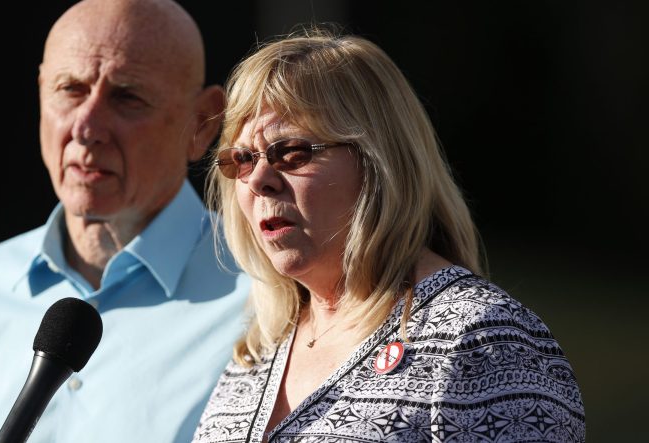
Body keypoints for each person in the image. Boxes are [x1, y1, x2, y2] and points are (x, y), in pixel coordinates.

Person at [193, 28, 585, 442]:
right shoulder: (255, 352)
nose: (258, 180)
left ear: (379, 163)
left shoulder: (482, 341)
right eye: (241, 160)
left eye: (290, 152)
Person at [0, 0, 250, 441]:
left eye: (127, 96)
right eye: (70, 89)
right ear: (40, 94)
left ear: (202, 124)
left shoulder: (265, 294)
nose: (87, 125)